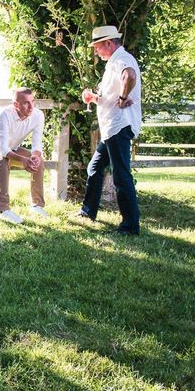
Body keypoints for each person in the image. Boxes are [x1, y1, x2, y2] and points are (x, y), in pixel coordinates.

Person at [79, 25, 142, 235]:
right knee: (94, 168)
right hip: (111, 129)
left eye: (98, 47)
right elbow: (109, 98)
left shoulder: (122, 60)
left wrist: (124, 98)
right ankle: (88, 212)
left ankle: (130, 226)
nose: (97, 52)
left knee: (121, 176)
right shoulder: (113, 63)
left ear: (108, 43)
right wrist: (94, 98)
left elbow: (130, 75)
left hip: (119, 126)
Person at [0, 88, 47, 224]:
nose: (31, 106)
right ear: (16, 105)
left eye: (32, 101)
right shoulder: (5, 115)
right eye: (26, 103)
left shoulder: (38, 115)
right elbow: (3, 149)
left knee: (38, 162)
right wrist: (23, 160)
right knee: (2, 162)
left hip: (13, 148)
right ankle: (4, 210)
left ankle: (37, 206)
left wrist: (35, 157)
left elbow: (37, 144)